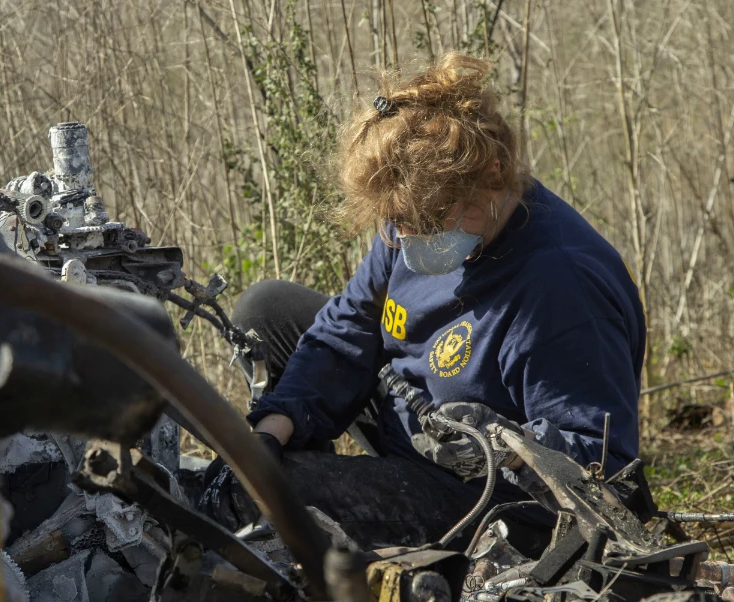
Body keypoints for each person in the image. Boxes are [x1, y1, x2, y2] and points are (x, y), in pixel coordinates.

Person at [200, 52, 646, 552]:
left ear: (493, 174)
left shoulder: (560, 287)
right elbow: (346, 328)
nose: (407, 238)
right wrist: (272, 427)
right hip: (410, 413)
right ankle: (327, 492)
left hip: (485, 497)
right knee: (269, 309)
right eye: (397, 221)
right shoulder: (410, 220)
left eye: (428, 221)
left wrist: (507, 447)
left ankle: (351, 518)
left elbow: (602, 465)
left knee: (270, 495)